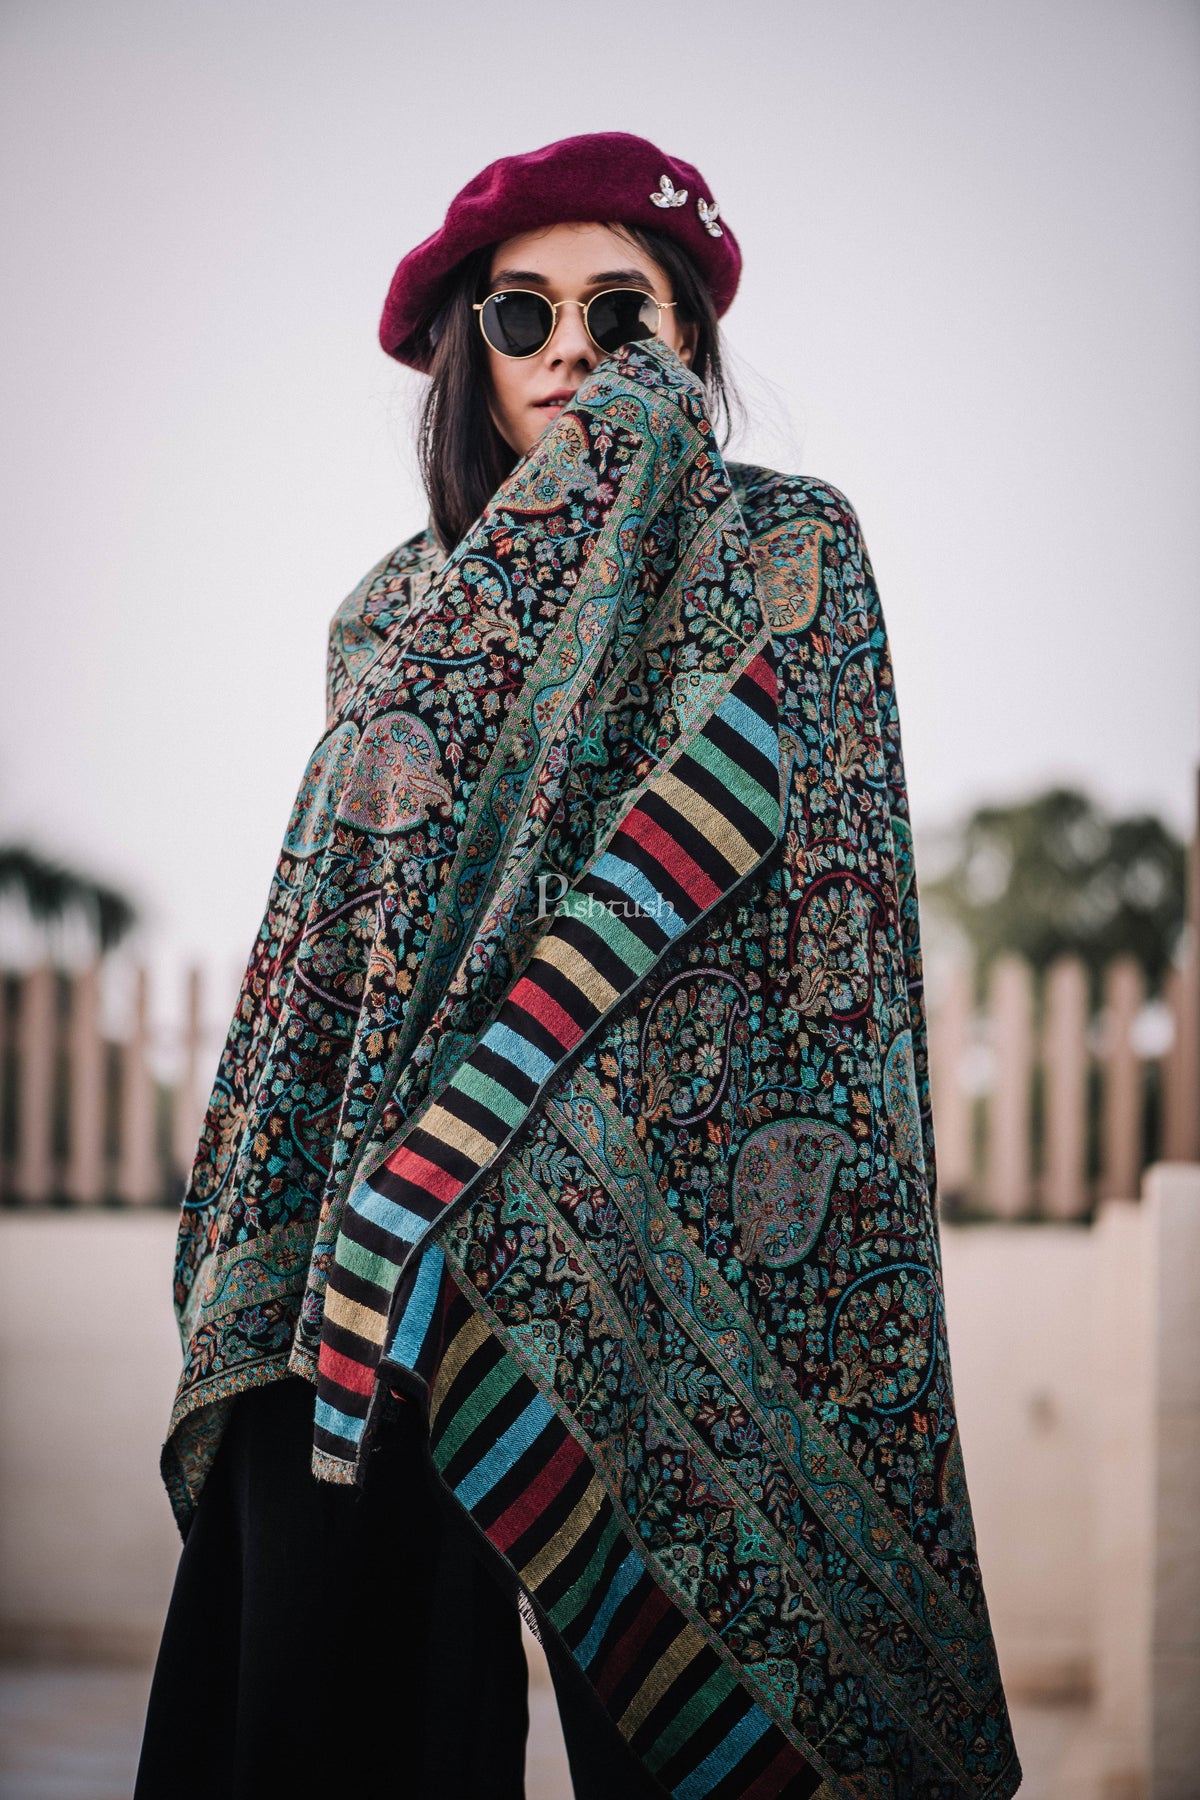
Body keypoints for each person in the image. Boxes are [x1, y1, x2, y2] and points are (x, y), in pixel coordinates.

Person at [136, 133, 1020, 1800]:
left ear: (688, 342)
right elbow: (347, 939)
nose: (569, 352)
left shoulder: (787, 550)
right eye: (521, 314)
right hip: (395, 1262)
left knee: (680, 1744)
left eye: (622, 315)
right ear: (466, 352)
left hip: (668, 1244)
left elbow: (827, 919)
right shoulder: (397, 613)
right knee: (361, 1719)